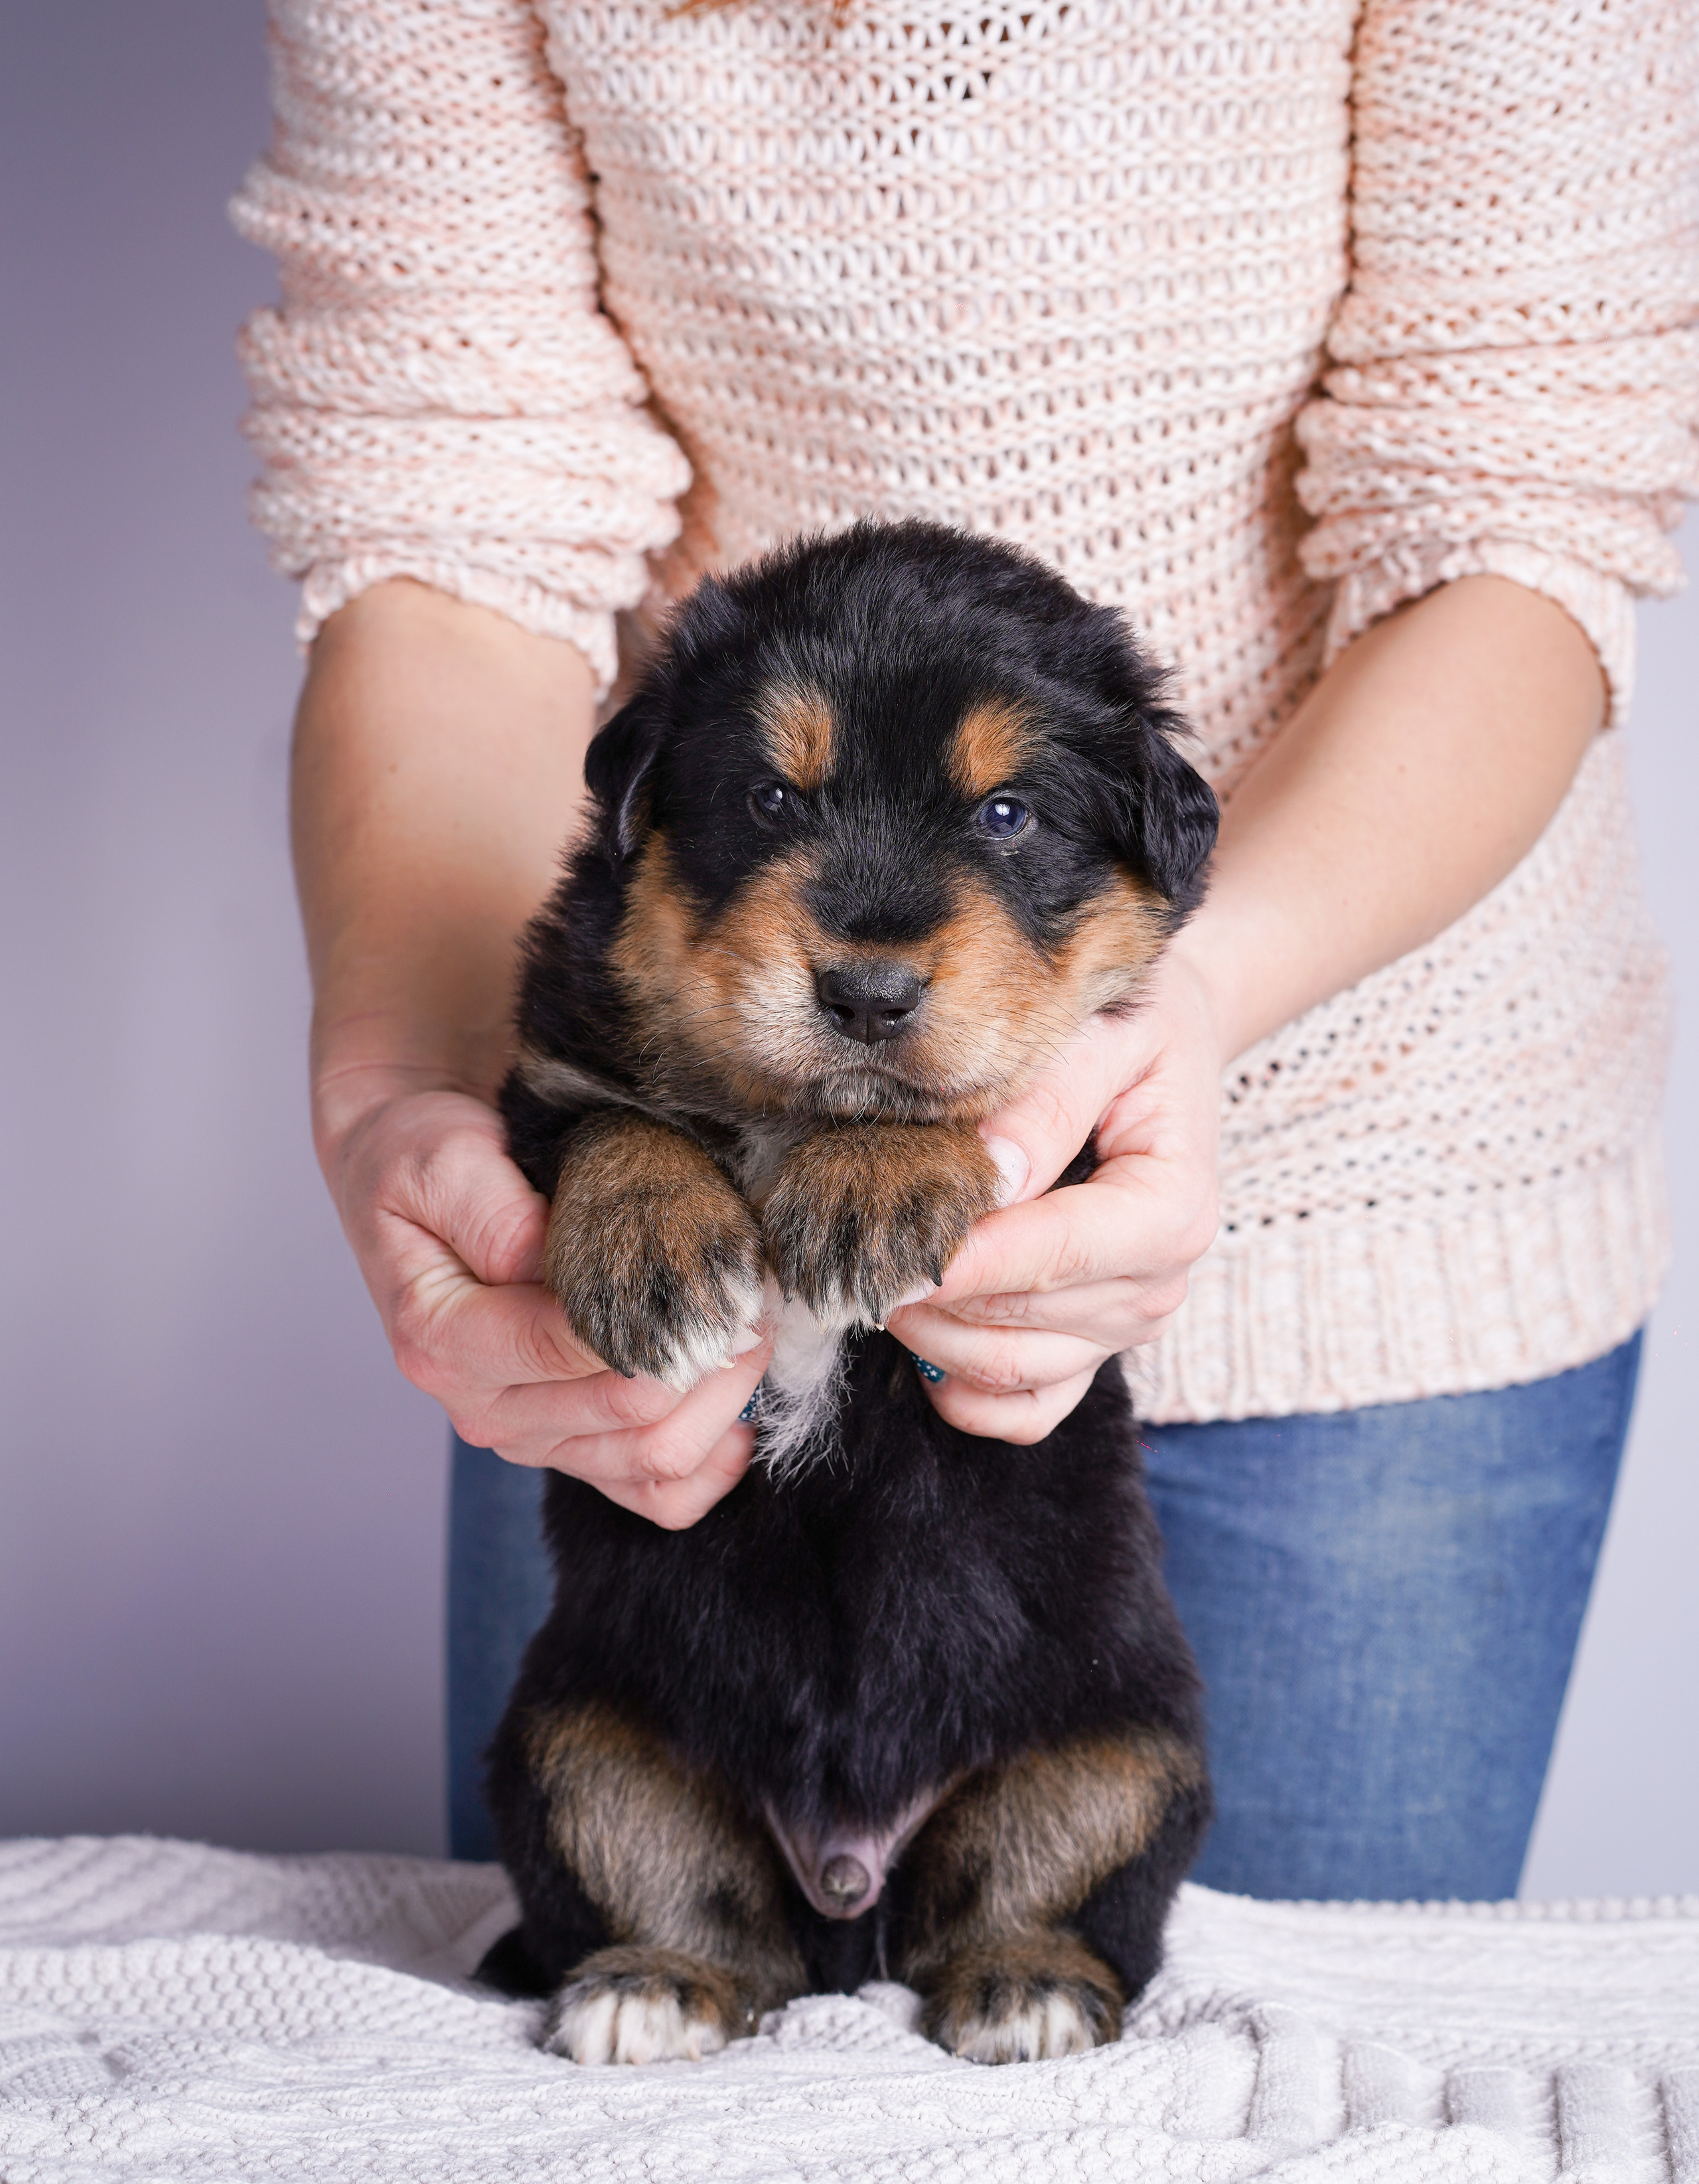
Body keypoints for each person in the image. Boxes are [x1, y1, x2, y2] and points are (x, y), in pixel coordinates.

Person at [232, 0, 1696, 1897]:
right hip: (678, 1177)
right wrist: (395, 1087)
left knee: (1279, 2037)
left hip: (1381, 1183)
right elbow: (441, 501)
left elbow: (1520, 496)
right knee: (635, 1957)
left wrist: (1190, 998)